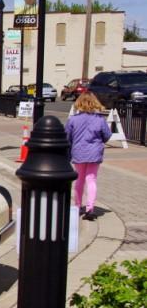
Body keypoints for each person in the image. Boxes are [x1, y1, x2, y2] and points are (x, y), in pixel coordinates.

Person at [65, 92, 112, 221]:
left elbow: (67, 136)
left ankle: (77, 205)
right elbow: (107, 135)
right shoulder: (100, 119)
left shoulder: (73, 120)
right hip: (94, 152)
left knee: (79, 180)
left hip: (78, 151)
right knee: (91, 179)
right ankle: (90, 208)